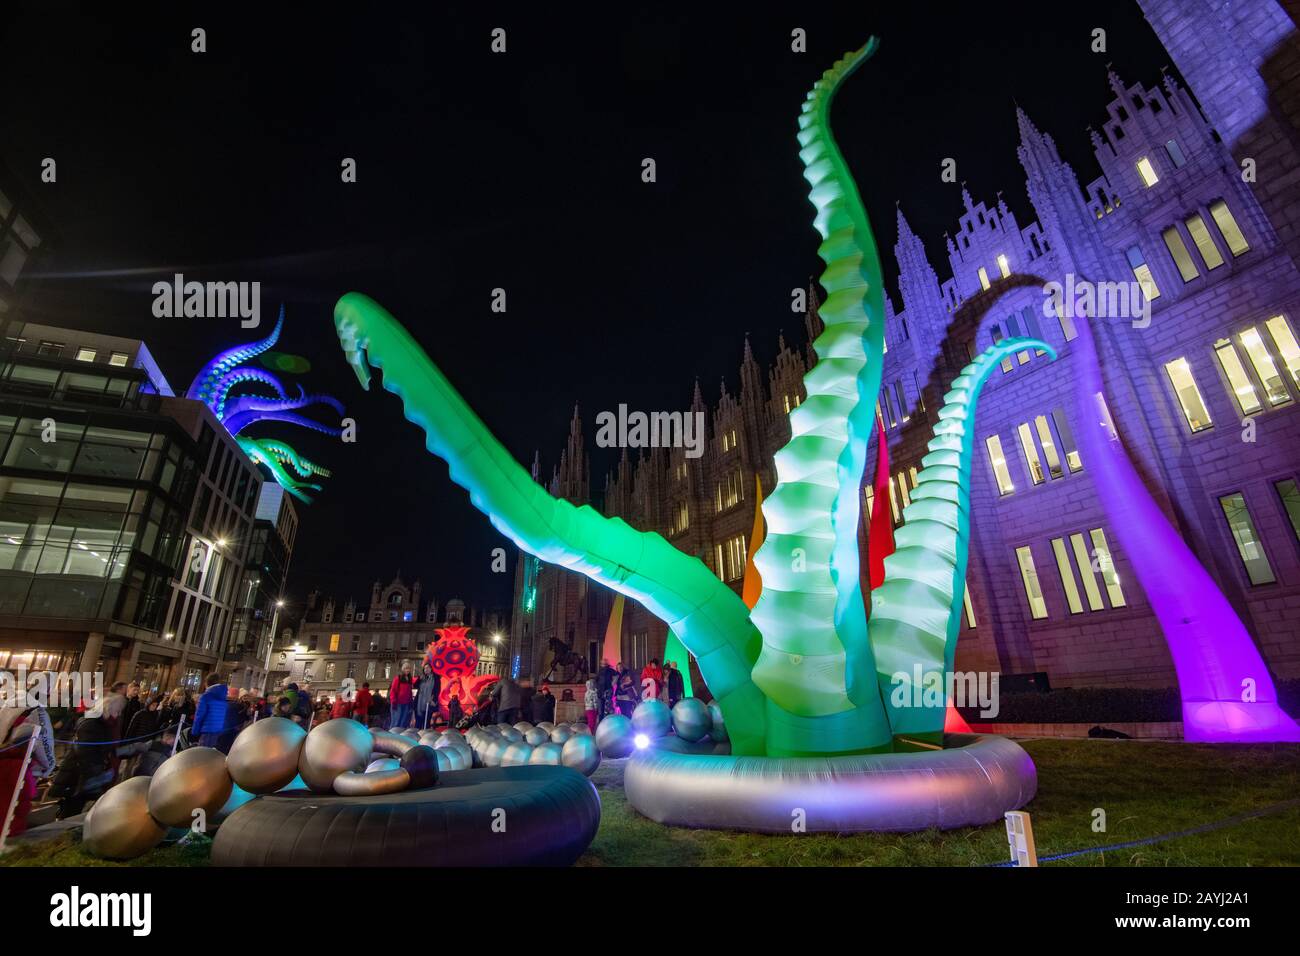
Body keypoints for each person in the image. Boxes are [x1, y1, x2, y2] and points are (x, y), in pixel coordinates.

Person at [192, 673, 238, 753]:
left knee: (202, 754)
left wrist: (195, 731)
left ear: (207, 682)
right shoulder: (223, 696)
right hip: (219, 730)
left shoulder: (206, 696)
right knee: (212, 754)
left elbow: (199, 715)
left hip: (208, 730)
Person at [389, 663, 416, 730]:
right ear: (403, 669)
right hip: (398, 703)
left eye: (409, 668)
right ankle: (393, 735)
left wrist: (410, 702)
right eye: (406, 668)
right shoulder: (398, 678)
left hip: (406, 703)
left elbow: (409, 692)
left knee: (403, 721)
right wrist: (393, 701)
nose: (408, 670)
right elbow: (393, 690)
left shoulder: (409, 679)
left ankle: (399, 735)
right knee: (396, 721)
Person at [415, 663, 441, 730]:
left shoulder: (435, 677)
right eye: (425, 668)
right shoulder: (422, 678)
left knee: (427, 721)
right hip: (419, 703)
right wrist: (419, 679)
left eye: (428, 668)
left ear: (431, 669)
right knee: (418, 722)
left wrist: (433, 699)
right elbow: (415, 686)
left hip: (429, 702)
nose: (426, 669)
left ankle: (425, 737)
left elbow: (437, 689)